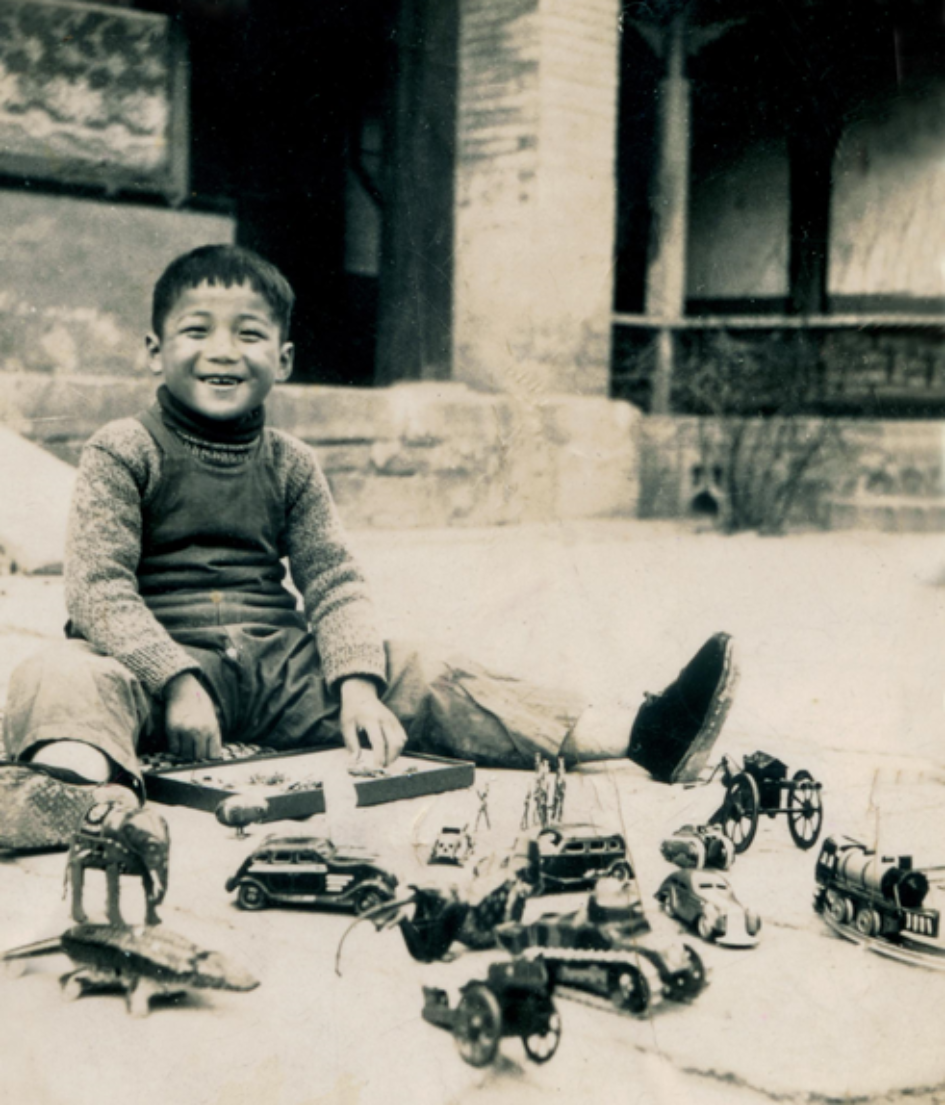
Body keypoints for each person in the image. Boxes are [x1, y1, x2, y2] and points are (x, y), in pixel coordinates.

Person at [0, 245, 738, 853]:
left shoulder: (291, 463)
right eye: (197, 331)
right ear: (154, 350)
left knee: (418, 667)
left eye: (249, 335)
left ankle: (643, 734)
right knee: (57, 672)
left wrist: (356, 682)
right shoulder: (123, 449)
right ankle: (70, 788)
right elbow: (97, 589)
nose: (222, 352)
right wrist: (174, 680)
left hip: (274, 669)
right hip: (154, 676)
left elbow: (332, 580)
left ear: (284, 358)